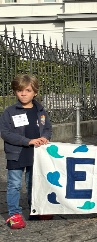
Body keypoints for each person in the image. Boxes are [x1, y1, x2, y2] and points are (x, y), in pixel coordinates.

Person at [0, 74, 53, 229]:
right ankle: (14, 214)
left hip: (35, 153)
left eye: (27, 90)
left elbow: (48, 128)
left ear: (35, 92)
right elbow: (5, 133)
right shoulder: (9, 112)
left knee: (33, 182)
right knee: (14, 184)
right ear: (15, 92)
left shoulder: (41, 111)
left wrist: (44, 137)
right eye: (19, 90)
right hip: (16, 154)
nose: (23, 94)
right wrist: (27, 141)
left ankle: (34, 209)